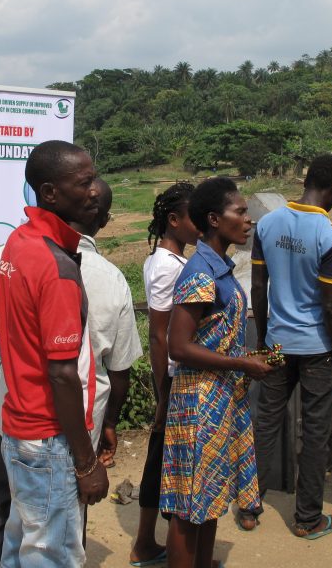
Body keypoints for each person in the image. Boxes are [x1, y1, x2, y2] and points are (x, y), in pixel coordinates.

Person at [0, 176, 141, 568]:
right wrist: (93, 452)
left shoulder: (16, 249)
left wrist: (9, 332)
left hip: (13, 411)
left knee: (7, 515)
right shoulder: (92, 274)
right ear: (103, 219)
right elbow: (110, 370)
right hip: (62, 428)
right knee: (56, 533)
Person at [0, 140, 108, 568]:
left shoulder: (19, 241)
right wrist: (86, 464)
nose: (95, 191)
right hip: (48, 440)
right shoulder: (56, 266)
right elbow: (61, 374)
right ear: (50, 193)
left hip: (20, 432)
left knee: (22, 545)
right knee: (52, 555)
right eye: (84, 183)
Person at [161, 177, 275, 568]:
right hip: (198, 403)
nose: (248, 220)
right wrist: (241, 363)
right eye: (240, 212)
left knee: (208, 499)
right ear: (214, 219)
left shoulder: (219, 268)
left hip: (219, 399)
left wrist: (249, 357)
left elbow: (214, 338)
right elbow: (178, 346)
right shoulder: (200, 272)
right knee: (188, 506)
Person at [241, 153, 332, 538]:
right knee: (316, 431)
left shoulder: (268, 224)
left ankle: (249, 507)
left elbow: (259, 287)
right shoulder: (330, 237)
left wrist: (263, 337)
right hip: (317, 349)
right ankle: (308, 519)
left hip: (276, 343)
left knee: (265, 422)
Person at [131, 183, 200, 567]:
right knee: (171, 463)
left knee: (160, 460)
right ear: (174, 220)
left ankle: (147, 542)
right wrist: (162, 395)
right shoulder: (165, 267)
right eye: (195, 217)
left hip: (174, 377)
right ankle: (165, 547)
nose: (201, 224)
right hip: (174, 377)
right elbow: (158, 335)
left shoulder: (170, 261)